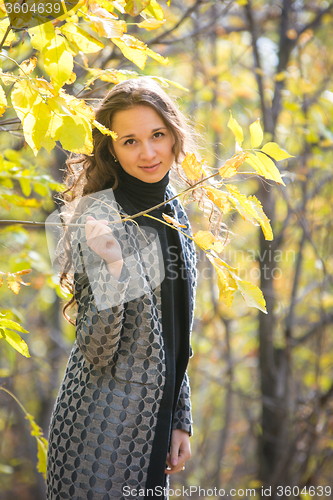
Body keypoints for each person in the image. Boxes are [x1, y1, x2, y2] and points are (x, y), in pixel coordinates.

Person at [46, 77, 198, 500]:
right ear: (110, 148)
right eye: (129, 141)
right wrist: (114, 265)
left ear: (174, 135)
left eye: (157, 135)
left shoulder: (174, 211)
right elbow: (97, 349)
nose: (148, 152)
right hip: (100, 432)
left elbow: (176, 330)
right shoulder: (98, 215)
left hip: (156, 425)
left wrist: (180, 417)